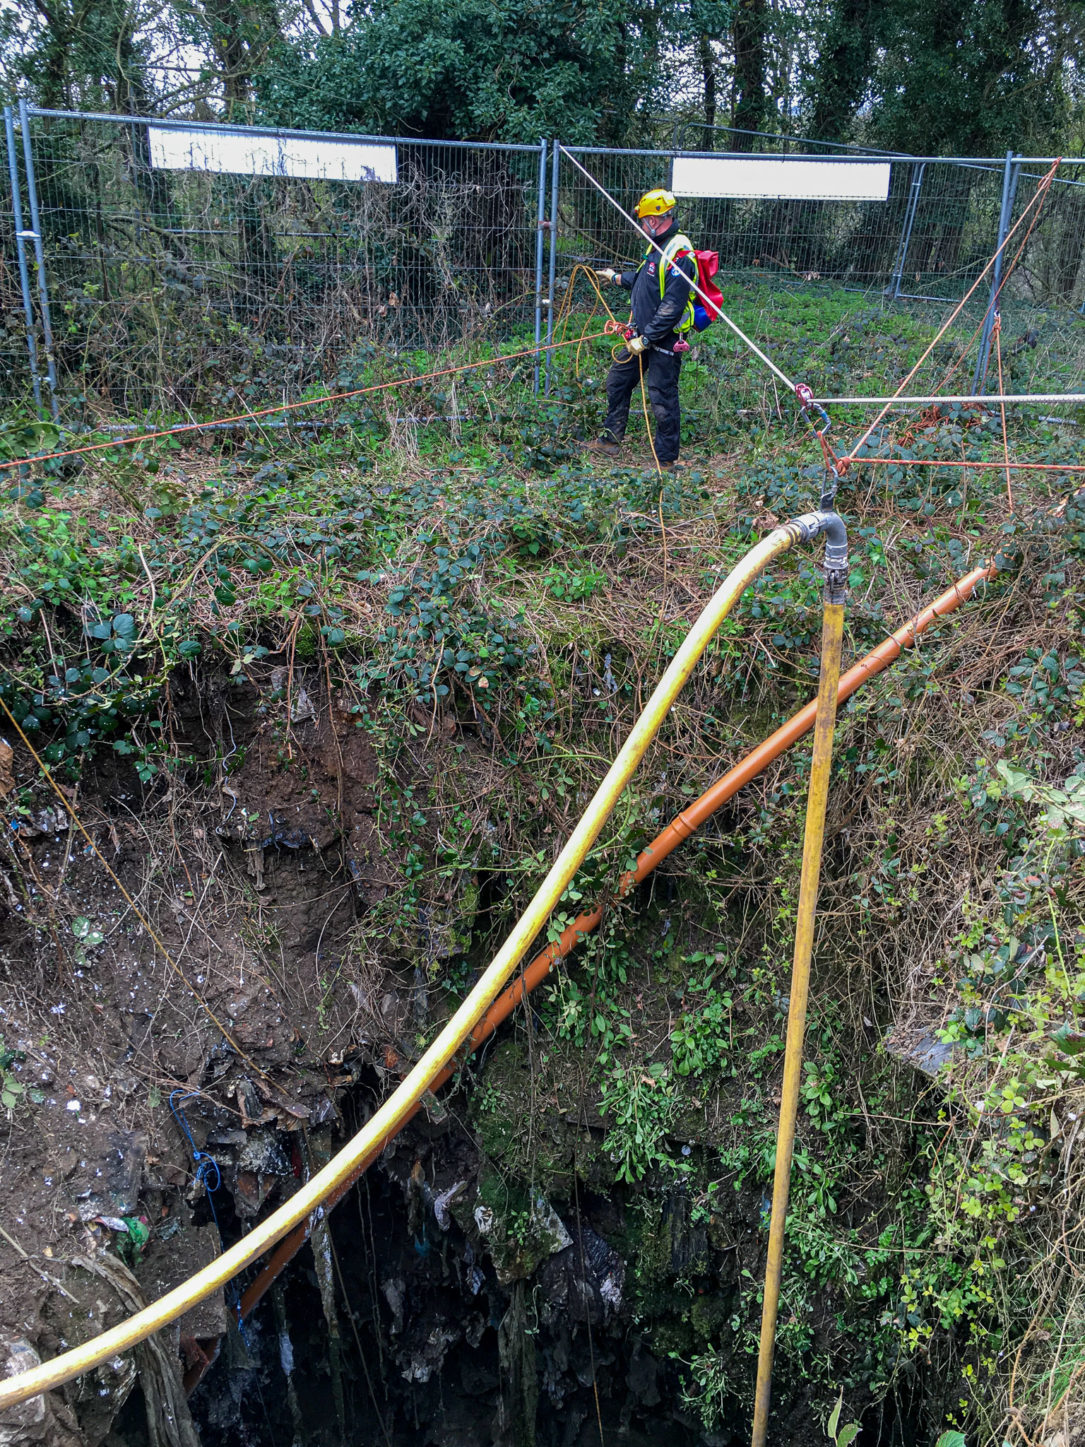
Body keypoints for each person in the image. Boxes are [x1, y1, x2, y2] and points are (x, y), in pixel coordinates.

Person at [592, 188, 698, 468]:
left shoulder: (680, 253)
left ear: (654, 220)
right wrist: (614, 278)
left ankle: (666, 460)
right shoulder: (657, 246)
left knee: (662, 398)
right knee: (618, 381)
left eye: (643, 220)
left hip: (664, 338)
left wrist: (647, 339)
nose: (640, 226)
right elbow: (644, 279)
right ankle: (610, 441)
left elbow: (672, 306)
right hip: (639, 333)